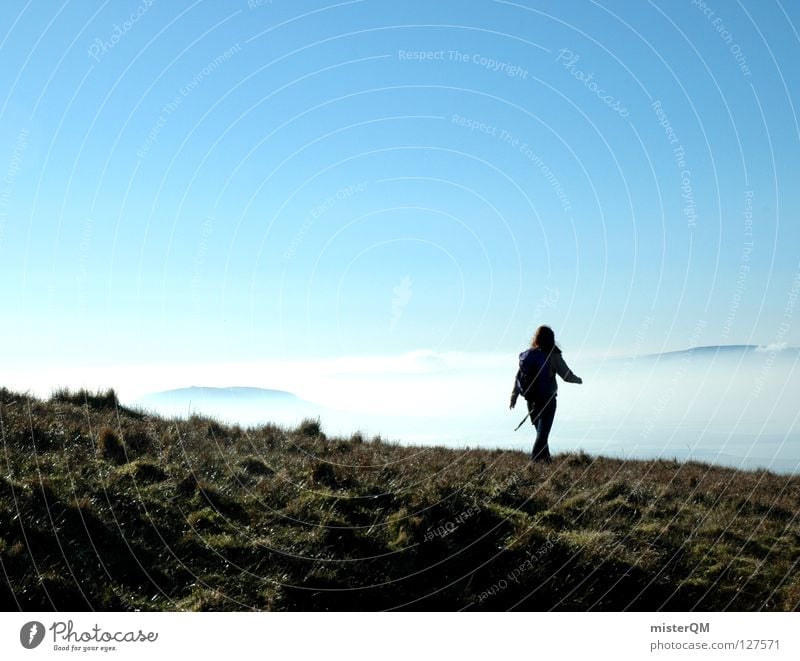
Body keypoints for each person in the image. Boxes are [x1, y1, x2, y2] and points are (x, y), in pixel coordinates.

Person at [509, 325, 582, 462]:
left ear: (536, 338)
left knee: (541, 434)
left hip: (531, 401)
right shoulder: (553, 354)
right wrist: (578, 380)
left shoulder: (529, 356)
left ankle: (546, 462)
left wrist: (514, 396)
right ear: (552, 339)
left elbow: (518, 376)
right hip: (547, 400)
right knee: (542, 436)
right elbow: (566, 375)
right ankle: (534, 464)